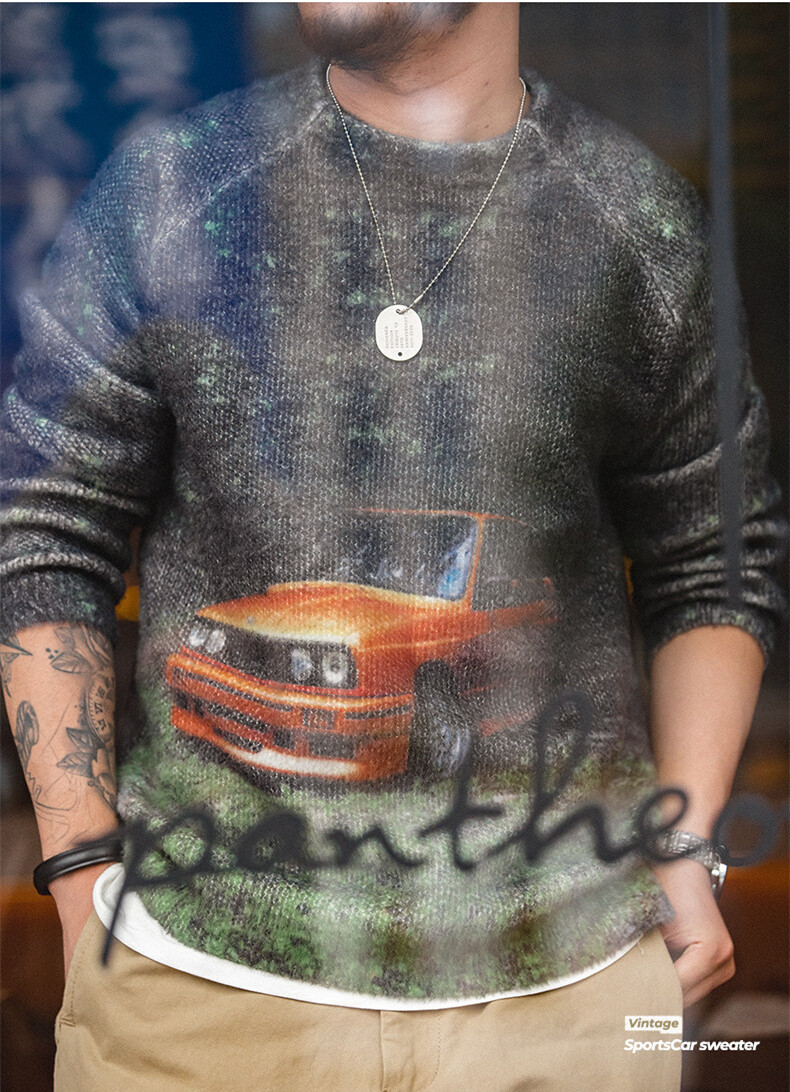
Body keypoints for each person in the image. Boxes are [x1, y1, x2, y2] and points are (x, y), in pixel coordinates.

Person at [1, 4, 786, 1090]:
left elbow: (711, 562)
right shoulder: (171, 190)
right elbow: (45, 526)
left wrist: (684, 843)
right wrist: (81, 867)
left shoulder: (634, 218)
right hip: (189, 994)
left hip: (568, 995)